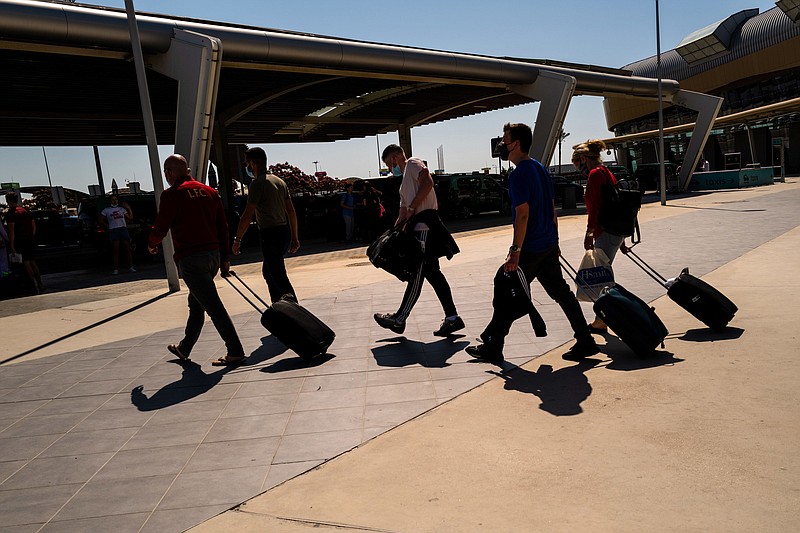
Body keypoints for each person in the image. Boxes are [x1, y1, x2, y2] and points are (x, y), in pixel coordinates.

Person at [466, 123, 599, 361]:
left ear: (516, 144)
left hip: (531, 247)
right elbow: (551, 208)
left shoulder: (518, 175)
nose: (501, 145)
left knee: (506, 289)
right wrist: (555, 241)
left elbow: (523, 214)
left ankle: (493, 346)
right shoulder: (539, 168)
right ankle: (585, 341)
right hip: (547, 244)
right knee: (562, 293)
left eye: (504, 141)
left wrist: (515, 251)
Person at [148, 154, 246, 366]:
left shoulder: (172, 195)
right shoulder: (210, 192)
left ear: (169, 172)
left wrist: (152, 243)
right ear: (188, 170)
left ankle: (235, 351)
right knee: (196, 303)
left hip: (191, 259)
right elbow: (223, 226)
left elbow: (161, 226)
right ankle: (184, 348)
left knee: (213, 306)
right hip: (212, 257)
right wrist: (224, 257)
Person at [373, 144, 465, 337]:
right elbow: (402, 212)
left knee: (417, 271)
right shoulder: (403, 185)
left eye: (390, 165)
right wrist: (391, 234)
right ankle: (452, 318)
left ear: (395, 158)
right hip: (417, 227)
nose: (391, 169)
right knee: (433, 274)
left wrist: (413, 208)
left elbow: (428, 183)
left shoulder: (413, 164)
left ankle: (399, 319)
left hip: (424, 226)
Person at [572, 139, 631, 334]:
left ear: (583, 159)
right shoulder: (606, 172)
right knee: (603, 275)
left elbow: (596, 208)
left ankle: (605, 318)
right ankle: (602, 318)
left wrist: (589, 233)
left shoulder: (595, 175)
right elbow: (616, 206)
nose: (578, 169)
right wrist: (621, 241)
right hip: (613, 232)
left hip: (605, 232)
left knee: (602, 277)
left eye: (576, 164)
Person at [232, 147, 299, 303]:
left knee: (278, 275)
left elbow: (247, 216)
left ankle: (292, 309)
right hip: (284, 233)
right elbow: (291, 211)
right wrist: (295, 237)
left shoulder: (257, 184)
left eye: (247, 163)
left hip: (270, 235)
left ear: (253, 163)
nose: (246, 167)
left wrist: (237, 240)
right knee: (269, 272)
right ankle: (278, 304)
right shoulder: (279, 181)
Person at [4, 192, 43, 294]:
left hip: (20, 241)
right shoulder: (26, 210)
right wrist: (31, 236)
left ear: (8, 201)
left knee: (26, 263)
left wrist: (12, 245)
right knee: (33, 262)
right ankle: (40, 283)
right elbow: (33, 225)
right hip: (29, 240)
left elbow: (11, 231)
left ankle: (32, 284)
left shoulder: (11, 214)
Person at [98, 194, 135, 275]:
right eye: (113, 200)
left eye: (116, 199)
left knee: (127, 248)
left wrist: (128, 208)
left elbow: (130, 217)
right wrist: (107, 226)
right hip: (114, 230)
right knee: (115, 250)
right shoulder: (106, 210)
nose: (114, 201)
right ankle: (116, 268)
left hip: (123, 228)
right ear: (110, 201)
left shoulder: (121, 209)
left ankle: (131, 266)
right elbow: (100, 219)